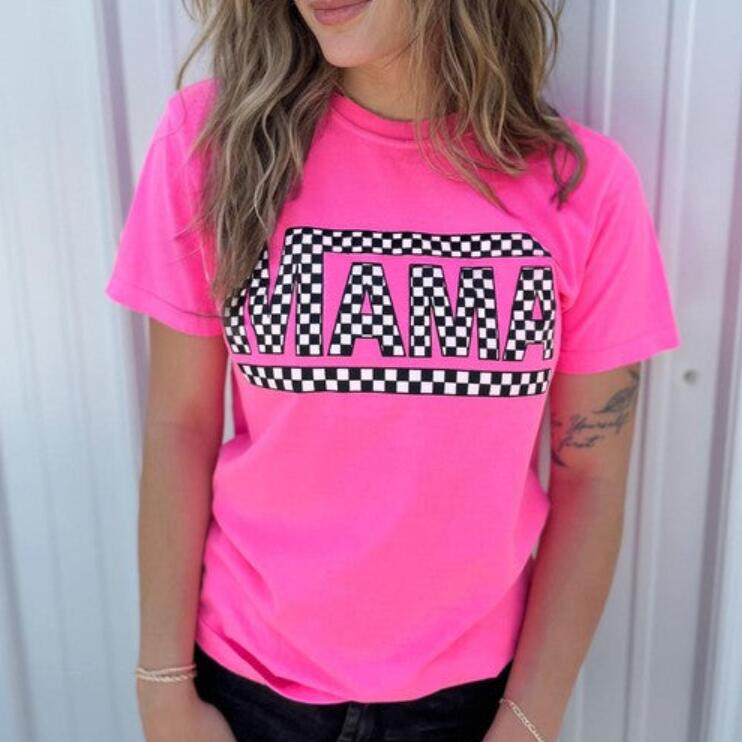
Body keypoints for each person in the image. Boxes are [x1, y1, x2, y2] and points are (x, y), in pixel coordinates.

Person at [105, 1, 682, 740]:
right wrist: (162, 691)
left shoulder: (583, 187)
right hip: (246, 690)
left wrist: (529, 721)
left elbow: (592, 480)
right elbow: (180, 426)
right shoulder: (214, 143)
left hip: (468, 704)